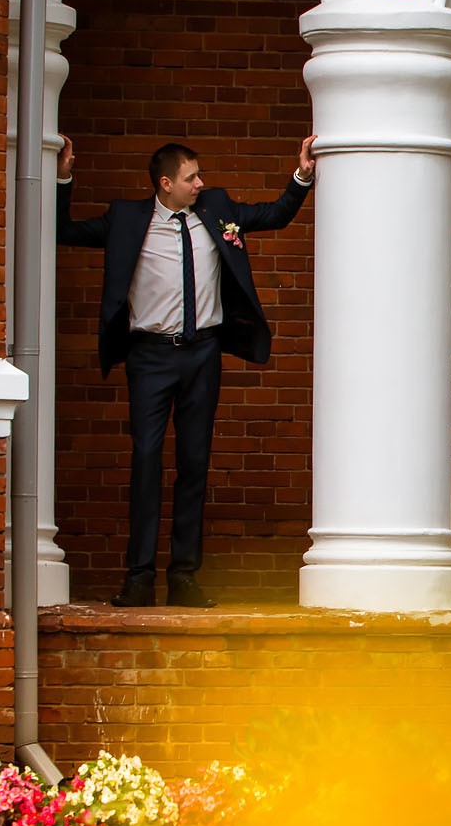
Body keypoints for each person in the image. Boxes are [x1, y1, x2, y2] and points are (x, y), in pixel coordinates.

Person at [55, 133, 317, 607]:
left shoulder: (216, 209)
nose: (201, 182)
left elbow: (275, 215)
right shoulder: (127, 220)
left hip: (202, 354)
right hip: (149, 357)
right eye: (191, 176)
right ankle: (138, 579)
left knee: (194, 465)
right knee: (146, 463)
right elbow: (62, 230)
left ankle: (183, 577)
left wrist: (302, 175)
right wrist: (62, 175)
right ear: (165, 183)